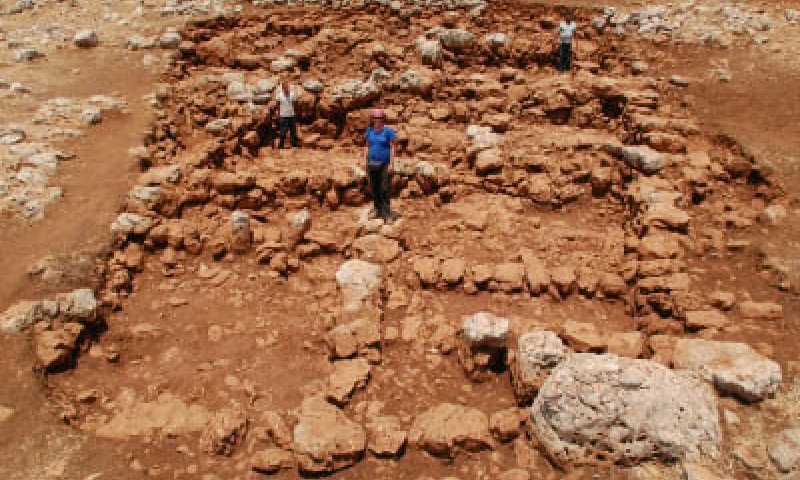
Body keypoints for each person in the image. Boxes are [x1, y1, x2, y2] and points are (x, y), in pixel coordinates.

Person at [364, 108, 397, 220]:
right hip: (372, 164)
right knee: (374, 188)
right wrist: (365, 161)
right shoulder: (369, 131)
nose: (377, 121)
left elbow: (392, 147)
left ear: (383, 119)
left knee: (384, 188)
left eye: (380, 118)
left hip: (384, 164)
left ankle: (386, 213)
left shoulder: (388, 131)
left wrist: (391, 164)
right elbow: (367, 146)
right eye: (375, 118)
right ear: (372, 119)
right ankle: (377, 210)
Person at [275, 82, 300, 148]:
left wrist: (295, 112)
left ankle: (294, 145)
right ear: (282, 88)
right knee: (283, 131)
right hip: (283, 116)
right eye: (285, 87)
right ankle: (281, 146)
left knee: (293, 131)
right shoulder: (279, 95)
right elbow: (277, 104)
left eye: (287, 87)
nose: (286, 88)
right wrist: (278, 113)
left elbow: (295, 103)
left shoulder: (292, 94)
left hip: (291, 115)